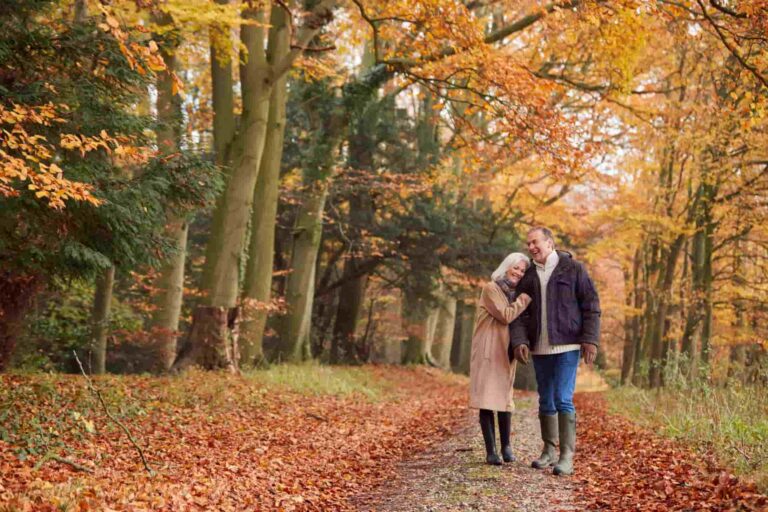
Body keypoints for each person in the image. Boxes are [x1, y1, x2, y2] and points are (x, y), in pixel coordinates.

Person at [510, 227, 601, 476]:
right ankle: (549, 451)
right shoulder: (528, 275)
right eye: (528, 243)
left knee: (563, 397)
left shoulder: (573, 269)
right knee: (546, 399)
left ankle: (566, 456)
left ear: (549, 243)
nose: (530, 247)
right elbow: (518, 313)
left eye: (535, 242)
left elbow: (591, 305)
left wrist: (590, 339)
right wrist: (519, 341)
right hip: (539, 348)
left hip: (568, 346)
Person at [469, 252, 532, 465]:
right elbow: (505, 315)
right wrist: (525, 299)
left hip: (505, 351)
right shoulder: (491, 288)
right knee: (486, 400)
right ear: (506, 267)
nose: (518, 273)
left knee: (505, 399)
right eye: (516, 268)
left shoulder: (515, 293)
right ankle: (491, 451)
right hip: (488, 350)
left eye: (523, 271)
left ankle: (506, 447)